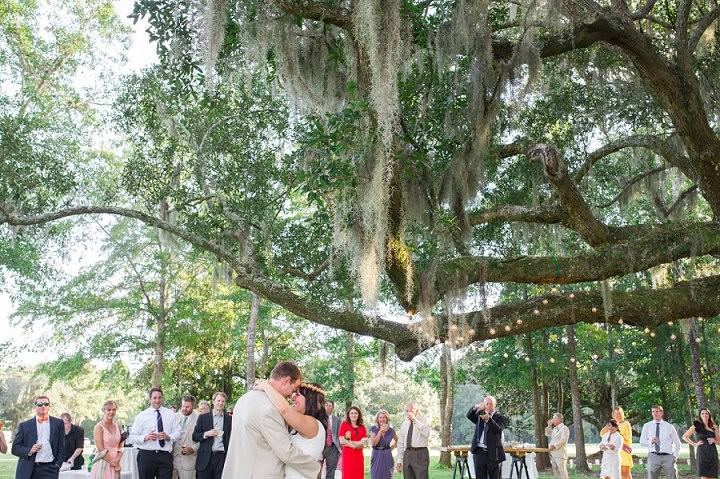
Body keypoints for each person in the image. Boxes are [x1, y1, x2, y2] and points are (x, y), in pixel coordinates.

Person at [221, 360, 319, 479]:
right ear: (286, 381)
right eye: (293, 390)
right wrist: (316, 468)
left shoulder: (244, 399)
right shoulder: (269, 408)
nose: (291, 395)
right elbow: (286, 452)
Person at [256, 380, 328, 478]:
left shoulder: (312, 423)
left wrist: (266, 386)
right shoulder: (299, 424)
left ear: (310, 400)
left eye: (297, 394)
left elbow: (284, 410)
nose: (292, 396)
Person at [128, 387, 181, 479]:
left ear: (163, 398)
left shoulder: (170, 414)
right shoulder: (142, 416)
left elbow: (178, 433)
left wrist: (168, 437)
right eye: (154, 398)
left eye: (160, 397)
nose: (157, 400)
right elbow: (131, 437)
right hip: (146, 456)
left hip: (165, 456)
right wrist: (146, 437)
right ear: (150, 399)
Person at [12, 394, 66, 479]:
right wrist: (30, 450)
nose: (43, 406)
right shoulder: (24, 425)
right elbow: (15, 448)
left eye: (46, 404)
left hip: (50, 469)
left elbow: (61, 446)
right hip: (28, 470)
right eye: (40, 404)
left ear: (49, 406)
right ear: (35, 406)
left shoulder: (58, 423)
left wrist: (57, 465)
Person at [467, 395, 508, 479]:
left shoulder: (501, 417)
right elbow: (469, 416)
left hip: (493, 453)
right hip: (479, 452)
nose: (488, 406)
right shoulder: (480, 415)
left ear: (495, 405)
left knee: (495, 477)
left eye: (490, 404)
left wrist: (488, 419)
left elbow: (498, 430)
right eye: (486, 404)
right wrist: (475, 406)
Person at [193, 392, 232, 479]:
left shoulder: (229, 420)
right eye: (218, 400)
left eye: (223, 401)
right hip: (205, 459)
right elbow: (195, 436)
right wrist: (206, 434)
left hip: (221, 458)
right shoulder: (203, 417)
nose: (220, 403)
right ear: (213, 402)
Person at [639, 405, 682, 479]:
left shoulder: (669, 426)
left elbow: (678, 443)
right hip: (653, 457)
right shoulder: (646, 426)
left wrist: (675, 456)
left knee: (672, 477)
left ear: (661, 413)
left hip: (668, 457)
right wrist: (651, 441)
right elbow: (642, 441)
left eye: (657, 411)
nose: (654, 413)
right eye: (653, 412)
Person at [682, 408, 720, 479]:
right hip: (702, 454)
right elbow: (684, 437)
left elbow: (719, 442)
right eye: (702, 413)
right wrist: (695, 444)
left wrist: (714, 441)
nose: (704, 415)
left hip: (712, 454)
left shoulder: (714, 427)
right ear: (700, 415)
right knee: (704, 477)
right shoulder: (696, 426)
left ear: (709, 415)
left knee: (713, 477)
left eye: (706, 413)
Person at [396, 403, 431, 479]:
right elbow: (400, 443)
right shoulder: (404, 424)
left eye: (411, 411)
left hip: (420, 454)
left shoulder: (423, 420)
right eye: (407, 411)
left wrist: (415, 420)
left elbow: (427, 433)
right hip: (407, 454)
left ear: (417, 411)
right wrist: (399, 461)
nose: (408, 413)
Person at [92, 400, 124, 479]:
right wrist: (114, 462)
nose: (111, 412)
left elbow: (121, 445)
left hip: (116, 462)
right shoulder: (98, 427)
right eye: (108, 410)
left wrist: (117, 459)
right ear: (103, 410)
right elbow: (101, 449)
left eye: (114, 409)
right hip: (103, 462)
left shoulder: (118, 426)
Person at [600, 407, 634, 479]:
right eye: (616, 413)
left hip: (624, 452)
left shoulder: (626, 424)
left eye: (619, 413)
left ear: (622, 414)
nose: (618, 415)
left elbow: (627, 438)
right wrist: (609, 426)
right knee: (613, 475)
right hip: (612, 454)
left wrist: (616, 430)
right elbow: (602, 434)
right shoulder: (611, 424)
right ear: (613, 414)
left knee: (625, 475)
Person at [173, 395, 199, 479]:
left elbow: (203, 440)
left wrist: (193, 449)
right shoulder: (175, 417)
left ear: (193, 406)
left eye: (187, 407)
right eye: (183, 406)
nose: (184, 409)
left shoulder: (199, 419)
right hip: (173, 459)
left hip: (189, 460)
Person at [339, 406, 367, 479]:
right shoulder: (344, 424)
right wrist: (354, 445)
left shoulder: (362, 427)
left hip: (359, 455)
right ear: (348, 415)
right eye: (351, 413)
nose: (354, 415)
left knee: (358, 475)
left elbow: (364, 443)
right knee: (348, 474)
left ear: (358, 415)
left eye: (356, 413)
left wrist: (351, 443)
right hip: (348, 455)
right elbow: (341, 440)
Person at [370, 409, 397, 479]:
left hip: (387, 456)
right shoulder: (374, 428)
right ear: (377, 419)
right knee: (375, 476)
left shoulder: (391, 430)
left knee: (387, 476)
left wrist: (391, 448)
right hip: (376, 455)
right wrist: (380, 432)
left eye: (384, 417)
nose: (382, 419)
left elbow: (398, 441)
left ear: (387, 419)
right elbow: (374, 444)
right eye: (380, 417)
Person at [545, 412, 570, 479]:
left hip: (560, 454)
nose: (552, 420)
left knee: (562, 472)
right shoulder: (554, 429)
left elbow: (563, 440)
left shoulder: (565, 428)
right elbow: (547, 434)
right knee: (556, 473)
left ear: (558, 419)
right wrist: (549, 426)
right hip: (553, 454)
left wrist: (554, 445)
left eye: (553, 418)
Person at [321, 400, 342, 479]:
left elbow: (339, 434)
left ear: (333, 408)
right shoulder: (319, 418)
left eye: (330, 405)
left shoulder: (337, 420)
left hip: (333, 447)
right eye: (326, 405)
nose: (328, 407)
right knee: (317, 466)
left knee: (331, 469)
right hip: (321, 445)